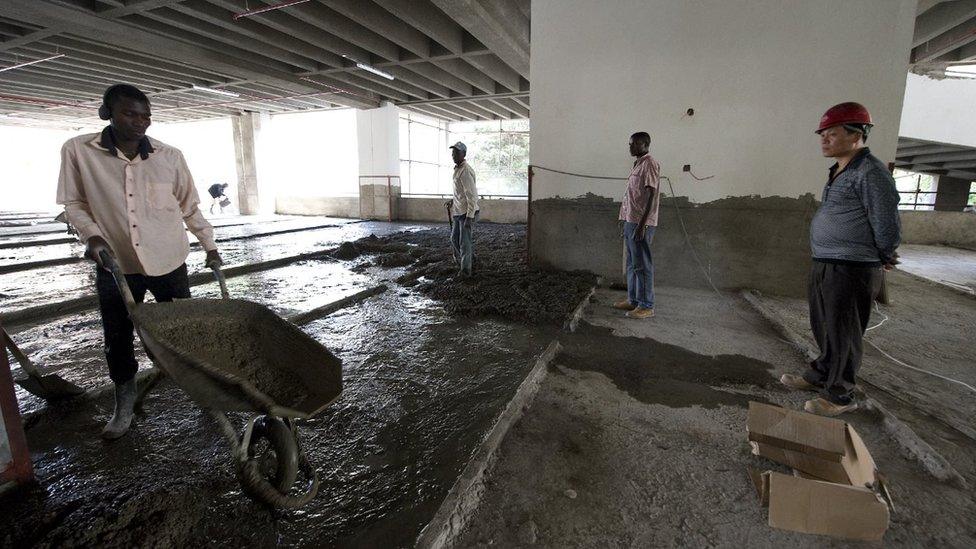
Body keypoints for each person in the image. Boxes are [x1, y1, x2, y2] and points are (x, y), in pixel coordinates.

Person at [56, 84, 223, 439]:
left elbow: (189, 207)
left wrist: (209, 245)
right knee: (117, 336)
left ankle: (204, 391)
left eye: (145, 115)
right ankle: (125, 399)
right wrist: (93, 235)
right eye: (129, 113)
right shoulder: (78, 152)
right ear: (107, 114)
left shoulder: (170, 156)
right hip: (115, 264)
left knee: (183, 330)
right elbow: (73, 204)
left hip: (168, 260)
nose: (139, 121)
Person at [781, 102, 901, 417]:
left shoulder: (870, 171)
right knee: (824, 324)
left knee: (845, 331)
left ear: (857, 134)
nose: (824, 140)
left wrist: (886, 252)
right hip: (827, 261)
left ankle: (840, 394)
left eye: (831, 134)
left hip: (853, 266)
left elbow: (886, 219)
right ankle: (821, 373)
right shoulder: (839, 169)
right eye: (823, 134)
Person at [612, 131, 661, 319]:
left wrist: (642, 225)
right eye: (630, 143)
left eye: (633, 144)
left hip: (642, 223)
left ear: (644, 144)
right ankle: (633, 300)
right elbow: (631, 196)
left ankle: (647, 306)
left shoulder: (649, 164)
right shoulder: (638, 164)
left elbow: (651, 195)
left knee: (643, 265)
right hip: (631, 220)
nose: (630, 147)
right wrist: (624, 219)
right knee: (632, 263)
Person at [446, 141, 479, 277]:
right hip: (458, 211)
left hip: (466, 213)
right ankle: (471, 260)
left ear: (463, 154)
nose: (453, 155)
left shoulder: (465, 171)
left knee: (464, 243)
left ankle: (466, 271)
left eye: (457, 152)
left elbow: (472, 196)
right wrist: (452, 201)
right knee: (454, 239)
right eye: (453, 152)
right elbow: (460, 193)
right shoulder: (458, 169)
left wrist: (469, 217)